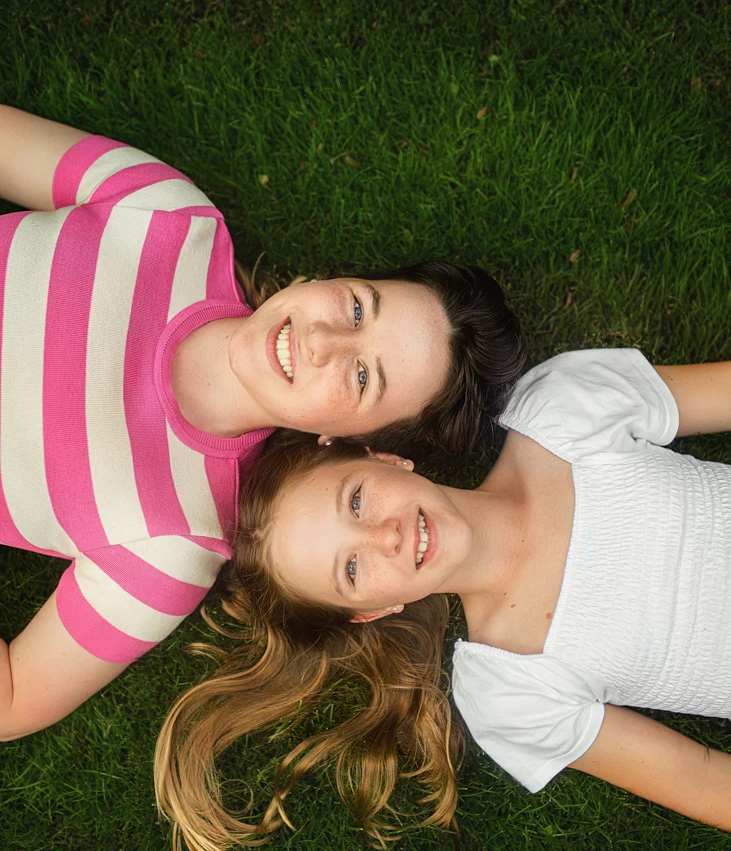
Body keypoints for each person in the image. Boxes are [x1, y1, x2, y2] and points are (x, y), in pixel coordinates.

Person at [0, 105, 525, 741]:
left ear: (352, 444)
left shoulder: (171, 545)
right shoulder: (168, 214)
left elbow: (14, 696)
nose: (324, 339)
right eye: (359, 308)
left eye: (363, 378)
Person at [156, 347, 731, 851]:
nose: (385, 537)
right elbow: (702, 780)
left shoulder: (559, 409)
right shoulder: (506, 694)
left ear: (386, 458)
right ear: (374, 612)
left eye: (356, 500)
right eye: (352, 570)